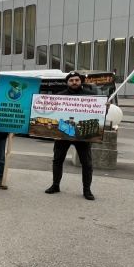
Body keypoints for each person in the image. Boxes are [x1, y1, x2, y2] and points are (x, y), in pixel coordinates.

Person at [46, 71, 95, 200]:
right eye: (71, 80)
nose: (74, 82)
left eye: (76, 80)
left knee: (87, 163)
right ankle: (55, 185)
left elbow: (97, 114)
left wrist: (104, 107)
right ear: (67, 82)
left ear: (81, 82)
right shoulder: (60, 96)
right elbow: (52, 114)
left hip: (82, 134)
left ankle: (87, 190)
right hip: (63, 132)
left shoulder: (91, 96)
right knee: (57, 160)